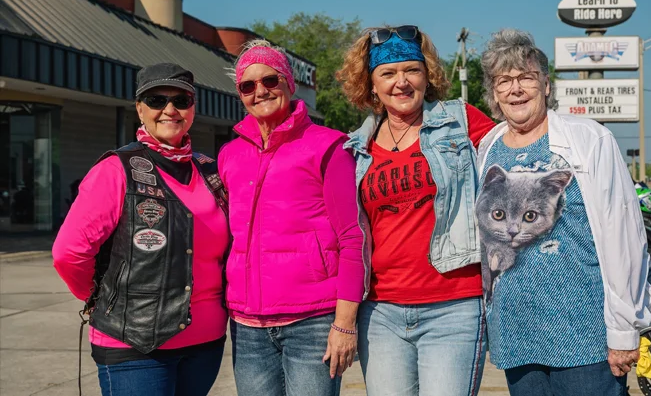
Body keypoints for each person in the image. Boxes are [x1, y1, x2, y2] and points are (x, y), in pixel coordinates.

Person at [474, 29, 651, 396]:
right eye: (504, 81)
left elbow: (624, 234)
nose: (516, 89)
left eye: (526, 77)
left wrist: (624, 330)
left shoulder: (589, 139)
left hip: (584, 338)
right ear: (494, 93)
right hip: (517, 335)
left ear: (546, 84)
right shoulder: (489, 147)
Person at [52, 63, 230, 396]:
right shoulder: (115, 170)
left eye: (181, 100)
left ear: (194, 107)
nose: (170, 109)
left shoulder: (210, 171)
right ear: (139, 109)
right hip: (134, 345)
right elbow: (69, 253)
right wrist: (100, 297)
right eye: (156, 99)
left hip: (206, 343)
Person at [336, 25, 496, 396]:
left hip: (453, 305)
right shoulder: (357, 147)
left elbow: (514, 160)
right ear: (371, 84)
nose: (401, 82)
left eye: (412, 70)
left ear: (427, 76)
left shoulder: (461, 121)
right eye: (388, 74)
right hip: (380, 312)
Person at [219, 40, 364, 396]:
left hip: (312, 322)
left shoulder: (328, 147)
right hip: (247, 324)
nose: (260, 91)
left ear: (288, 82)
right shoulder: (229, 155)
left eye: (270, 80)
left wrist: (344, 324)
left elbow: (353, 237)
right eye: (248, 86)